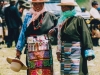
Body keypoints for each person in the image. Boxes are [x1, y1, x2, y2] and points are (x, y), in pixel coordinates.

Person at [15, 0, 58, 75]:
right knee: (32, 70)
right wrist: (19, 49)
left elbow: (58, 28)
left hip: (45, 51)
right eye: (35, 4)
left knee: (46, 70)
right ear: (32, 4)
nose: (37, 6)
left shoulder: (49, 16)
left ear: (43, 4)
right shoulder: (28, 16)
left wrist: (54, 30)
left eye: (40, 4)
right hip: (31, 50)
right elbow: (23, 32)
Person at [56, 0, 95, 75]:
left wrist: (89, 50)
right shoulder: (62, 19)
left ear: (71, 7)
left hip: (76, 51)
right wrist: (58, 50)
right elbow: (59, 36)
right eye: (62, 6)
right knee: (66, 71)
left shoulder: (78, 19)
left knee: (76, 71)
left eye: (65, 7)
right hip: (65, 50)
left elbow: (85, 34)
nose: (62, 9)